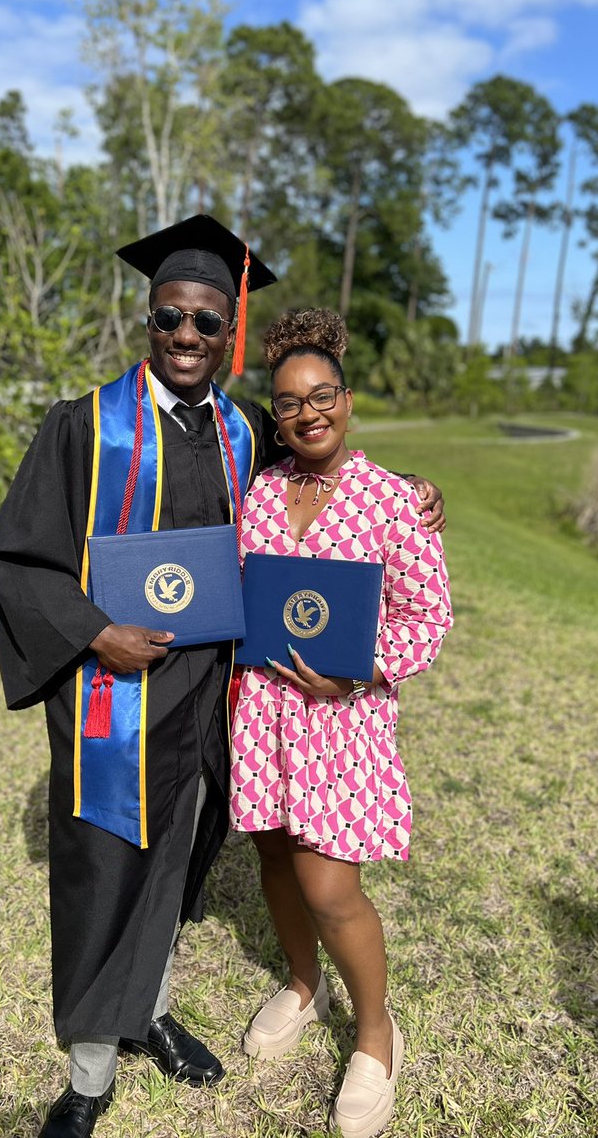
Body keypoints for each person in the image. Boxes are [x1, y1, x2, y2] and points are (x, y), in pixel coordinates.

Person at [0, 216, 445, 1138]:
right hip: (114, 696)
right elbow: (19, 560)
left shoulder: (243, 432)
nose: (187, 337)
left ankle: (150, 1014)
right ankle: (87, 1071)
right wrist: (92, 632)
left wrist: (421, 492)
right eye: (169, 319)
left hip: (216, 706)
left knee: (173, 867)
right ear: (147, 322)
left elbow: (329, 474)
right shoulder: (83, 427)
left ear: (227, 331)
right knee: (106, 867)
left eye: (205, 322)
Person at [229, 309, 452, 1138]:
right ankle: (298, 981)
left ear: (348, 400)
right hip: (261, 714)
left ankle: (373, 1033)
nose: (307, 412)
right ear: (275, 415)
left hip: (340, 720)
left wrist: (359, 668)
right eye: (288, 403)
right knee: (277, 862)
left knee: (330, 885)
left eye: (322, 395)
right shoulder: (258, 492)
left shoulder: (395, 501)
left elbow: (427, 616)